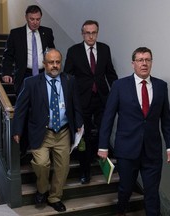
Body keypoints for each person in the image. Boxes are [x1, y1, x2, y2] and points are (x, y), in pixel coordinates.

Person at [98, 47, 170, 216]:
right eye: (140, 60)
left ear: (151, 63)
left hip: (152, 151)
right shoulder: (119, 86)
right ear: (133, 64)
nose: (144, 63)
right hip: (127, 150)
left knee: (152, 193)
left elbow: (166, 119)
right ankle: (121, 211)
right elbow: (108, 117)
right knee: (125, 189)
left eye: (147, 60)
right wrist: (103, 145)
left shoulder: (161, 86)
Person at [12, 48, 83, 212]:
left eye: (58, 62)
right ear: (44, 64)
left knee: (63, 167)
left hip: (63, 131)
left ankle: (54, 197)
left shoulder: (69, 80)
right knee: (42, 163)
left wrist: (79, 122)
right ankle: (42, 189)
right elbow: (21, 108)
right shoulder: (31, 82)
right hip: (41, 132)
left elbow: (76, 105)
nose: (55, 65)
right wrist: (17, 130)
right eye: (51, 62)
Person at [64, 20, 118, 184]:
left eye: (94, 32)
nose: (91, 36)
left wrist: (118, 93)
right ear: (82, 34)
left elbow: (110, 74)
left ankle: (101, 160)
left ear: (97, 33)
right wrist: (71, 100)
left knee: (103, 132)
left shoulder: (104, 49)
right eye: (87, 33)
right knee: (84, 138)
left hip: (102, 98)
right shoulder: (74, 51)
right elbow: (67, 76)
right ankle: (85, 171)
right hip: (82, 101)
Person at [1, 4, 55, 95]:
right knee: (24, 104)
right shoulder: (16, 34)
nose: (35, 22)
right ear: (26, 17)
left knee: (41, 104)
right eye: (32, 19)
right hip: (24, 75)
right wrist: (7, 73)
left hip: (43, 74)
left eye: (38, 19)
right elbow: (8, 55)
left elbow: (52, 52)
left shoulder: (47, 32)